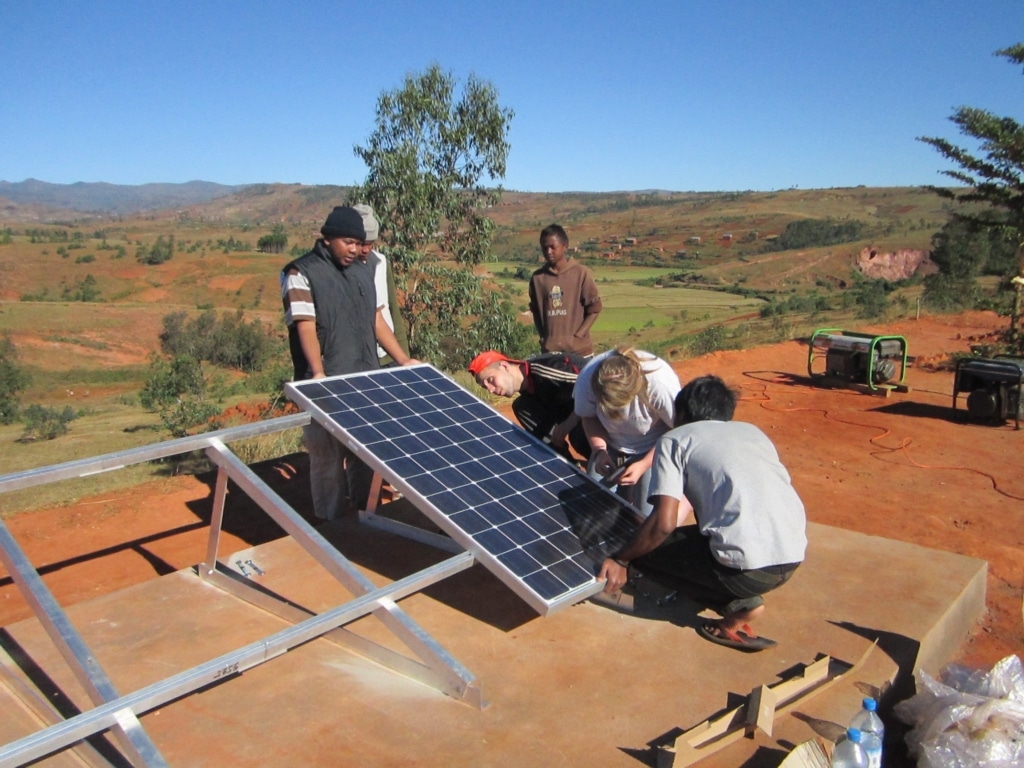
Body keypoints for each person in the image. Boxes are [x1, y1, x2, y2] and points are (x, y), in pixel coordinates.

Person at [598, 375, 807, 652]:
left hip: (746, 571)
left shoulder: (675, 439)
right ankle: (735, 594)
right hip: (791, 558)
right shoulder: (753, 432)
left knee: (646, 551)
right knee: (692, 539)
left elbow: (663, 523)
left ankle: (735, 605)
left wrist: (622, 560)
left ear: (682, 413)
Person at [281, 205, 417, 520]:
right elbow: (305, 325)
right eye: (348, 242)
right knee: (328, 459)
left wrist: (403, 359)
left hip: (365, 377)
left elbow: (376, 320)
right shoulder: (300, 273)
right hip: (327, 382)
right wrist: (317, 373)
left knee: (365, 455)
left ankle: (365, 517)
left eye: (359, 243)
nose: (355, 249)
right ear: (327, 239)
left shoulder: (363, 270)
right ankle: (331, 525)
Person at [574, 346, 680, 518]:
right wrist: (599, 450)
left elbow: (678, 431)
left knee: (645, 515)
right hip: (611, 444)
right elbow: (589, 417)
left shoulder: (660, 385)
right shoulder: (586, 380)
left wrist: (645, 464)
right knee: (593, 502)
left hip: (655, 446)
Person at [468, 350, 591, 462]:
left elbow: (596, 386)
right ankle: (564, 464)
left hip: (602, 413)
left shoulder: (547, 369)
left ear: (504, 366)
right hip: (579, 414)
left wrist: (569, 423)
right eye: (485, 387)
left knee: (580, 436)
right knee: (521, 406)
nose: (490, 389)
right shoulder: (527, 392)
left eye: (490, 380)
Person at [528, 224, 602, 356]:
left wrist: (578, 335)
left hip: (580, 353)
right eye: (545, 248)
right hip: (550, 353)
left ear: (565, 246)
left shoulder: (580, 273)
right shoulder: (538, 278)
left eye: (553, 247)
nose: (549, 251)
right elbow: (536, 311)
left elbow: (595, 308)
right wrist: (544, 337)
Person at [353, 203, 410, 366]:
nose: (366, 249)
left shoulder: (381, 262)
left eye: (371, 243)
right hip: (360, 358)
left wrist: (404, 355)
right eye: (362, 243)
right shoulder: (341, 269)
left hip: (388, 355)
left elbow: (391, 309)